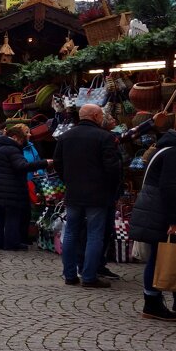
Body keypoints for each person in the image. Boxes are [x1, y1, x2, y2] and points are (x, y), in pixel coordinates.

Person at [130, 129, 176, 319]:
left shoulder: (168, 149)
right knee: (160, 255)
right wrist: (175, 220)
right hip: (164, 212)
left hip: (162, 209)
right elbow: (169, 186)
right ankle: (152, 303)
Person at [54, 103, 121, 286]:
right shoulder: (104, 137)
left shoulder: (65, 137)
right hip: (98, 195)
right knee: (94, 235)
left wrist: (69, 181)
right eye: (101, 115)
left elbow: (58, 164)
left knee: (71, 233)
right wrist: (110, 188)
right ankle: (89, 277)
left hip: (74, 192)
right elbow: (112, 168)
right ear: (96, 116)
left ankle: (69, 275)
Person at [0, 124, 47, 251]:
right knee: (12, 216)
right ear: (15, 137)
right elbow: (21, 166)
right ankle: (11, 243)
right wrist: (43, 163)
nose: (23, 142)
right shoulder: (12, 149)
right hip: (9, 189)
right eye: (22, 139)